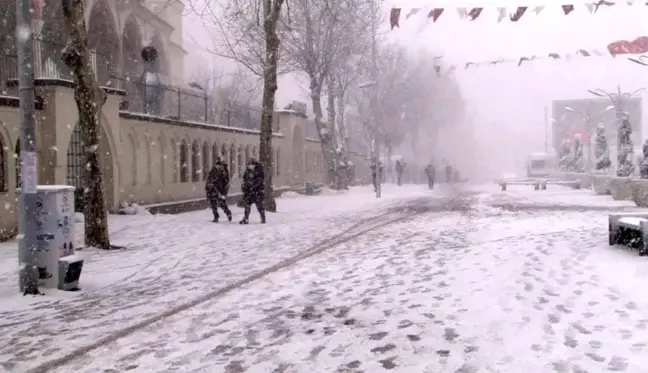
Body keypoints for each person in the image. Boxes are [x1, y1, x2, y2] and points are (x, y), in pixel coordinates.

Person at [205, 157, 232, 223]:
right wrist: (207, 188)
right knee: (213, 204)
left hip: (219, 190)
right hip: (212, 190)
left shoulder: (223, 171)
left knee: (222, 204)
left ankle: (228, 213)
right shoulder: (212, 170)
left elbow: (226, 181)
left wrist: (223, 191)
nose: (218, 166)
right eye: (217, 164)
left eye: (219, 164)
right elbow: (209, 180)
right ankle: (216, 217)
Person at [240, 158, 266, 224]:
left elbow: (259, 181)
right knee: (247, 205)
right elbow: (244, 180)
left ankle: (263, 218)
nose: (249, 166)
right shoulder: (247, 171)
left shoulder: (259, 171)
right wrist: (244, 187)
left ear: (254, 165)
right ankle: (246, 218)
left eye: (250, 165)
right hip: (249, 192)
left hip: (257, 192)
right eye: (248, 165)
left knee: (260, 206)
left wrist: (252, 185)